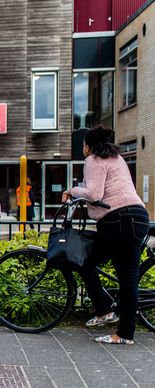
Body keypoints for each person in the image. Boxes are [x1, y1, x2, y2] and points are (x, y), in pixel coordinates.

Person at [64, 125, 150, 345]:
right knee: (97, 265)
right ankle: (105, 312)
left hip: (118, 219)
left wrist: (72, 191)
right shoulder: (117, 158)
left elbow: (93, 194)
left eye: (83, 145)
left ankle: (123, 333)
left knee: (94, 264)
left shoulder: (93, 159)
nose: (83, 149)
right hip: (136, 216)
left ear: (89, 146)